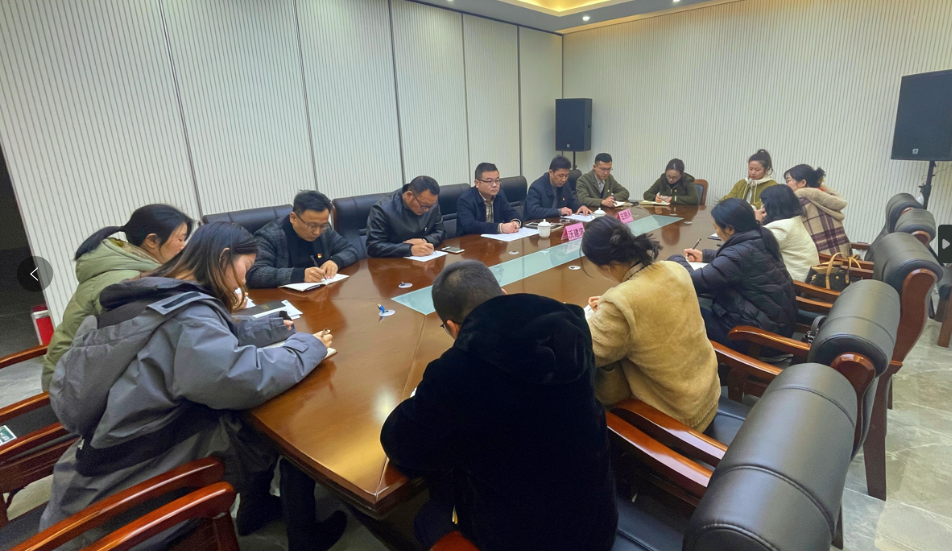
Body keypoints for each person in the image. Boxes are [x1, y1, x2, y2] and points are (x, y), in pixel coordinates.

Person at [41, 222, 345, 551]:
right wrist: (304, 348)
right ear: (224, 258)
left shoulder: (153, 289)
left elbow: (192, 339)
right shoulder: (189, 315)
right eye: (245, 269)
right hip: (138, 485)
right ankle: (302, 532)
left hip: (104, 454)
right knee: (277, 424)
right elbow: (240, 380)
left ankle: (256, 508)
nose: (244, 281)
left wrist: (268, 329)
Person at [380, 261, 617, 551]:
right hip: (598, 523)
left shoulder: (458, 370)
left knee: (424, 517)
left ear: (452, 327)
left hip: (527, 540)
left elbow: (402, 446)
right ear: (503, 293)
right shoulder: (569, 322)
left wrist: (426, 396)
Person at [582, 218, 719, 430]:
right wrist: (613, 305)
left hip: (676, 420)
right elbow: (650, 304)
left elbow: (585, 351)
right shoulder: (675, 269)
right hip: (706, 399)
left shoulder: (621, 303)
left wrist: (604, 312)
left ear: (604, 266)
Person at [40, 205, 193, 391]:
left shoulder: (134, 266)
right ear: (152, 241)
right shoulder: (125, 279)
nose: (183, 246)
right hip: (70, 382)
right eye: (180, 239)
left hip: (82, 366)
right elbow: (131, 337)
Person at [670, 199, 796, 351]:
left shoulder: (739, 254)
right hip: (773, 325)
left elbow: (692, 282)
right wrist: (706, 255)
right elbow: (737, 260)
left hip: (755, 338)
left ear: (730, 229)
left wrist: (675, 259)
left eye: (716, 228)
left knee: (677, 308)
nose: (717, 232)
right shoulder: (760, 238)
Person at [246, 190, 359, 288]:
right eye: (312, 225)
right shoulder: (270, 235)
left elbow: (350, 250)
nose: (317, 232)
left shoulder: (324, 230)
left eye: (323, 225)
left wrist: (335, 261)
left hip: (320, 293)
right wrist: (299, 275)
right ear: (293, 218)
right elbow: (255, 273)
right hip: (283, 298)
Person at [366, 175, 446, 257]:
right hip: (394, 261)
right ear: (409, 196)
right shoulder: (382, 209)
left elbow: (440, 231)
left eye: (431, 205)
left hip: (426, 258)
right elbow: (373, 246)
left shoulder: (430, 202)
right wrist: (409, 249)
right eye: (424, 205)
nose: (427, 210)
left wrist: (425, 240)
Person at [756, 185, 819, 282]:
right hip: (806, 278)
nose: (761, 208)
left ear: (771, 206)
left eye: (763, 204)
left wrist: (756, 222)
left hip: (797, 283)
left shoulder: (781, 227)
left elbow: (753, 247)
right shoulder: (792, 221)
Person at [784, 164, 851, 256]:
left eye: (788, 180)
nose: (786, 184)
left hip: (818, 258)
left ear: (803, 182)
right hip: (840, 256)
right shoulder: (827, 198)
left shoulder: (801, 202)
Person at [457, 162, 521, 235]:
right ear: (477, 183)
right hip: (471, 240)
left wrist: (515, 222)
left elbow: (509, 212)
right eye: (489, 181)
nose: (494, 185)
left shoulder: (499, 194)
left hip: (494, 239)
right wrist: (499, 227)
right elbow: (470, 225)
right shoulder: (465, 200)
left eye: (497, 180)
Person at [525, 155, 592, 219]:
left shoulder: (565, 185)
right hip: (537, 223)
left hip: (557, 222)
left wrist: (581, 206)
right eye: (560, 176)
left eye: (566, 175)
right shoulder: (536, 187)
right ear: (551, 172)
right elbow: (534, 211)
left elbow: (571, 200)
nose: (564, 179)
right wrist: (558, 211)